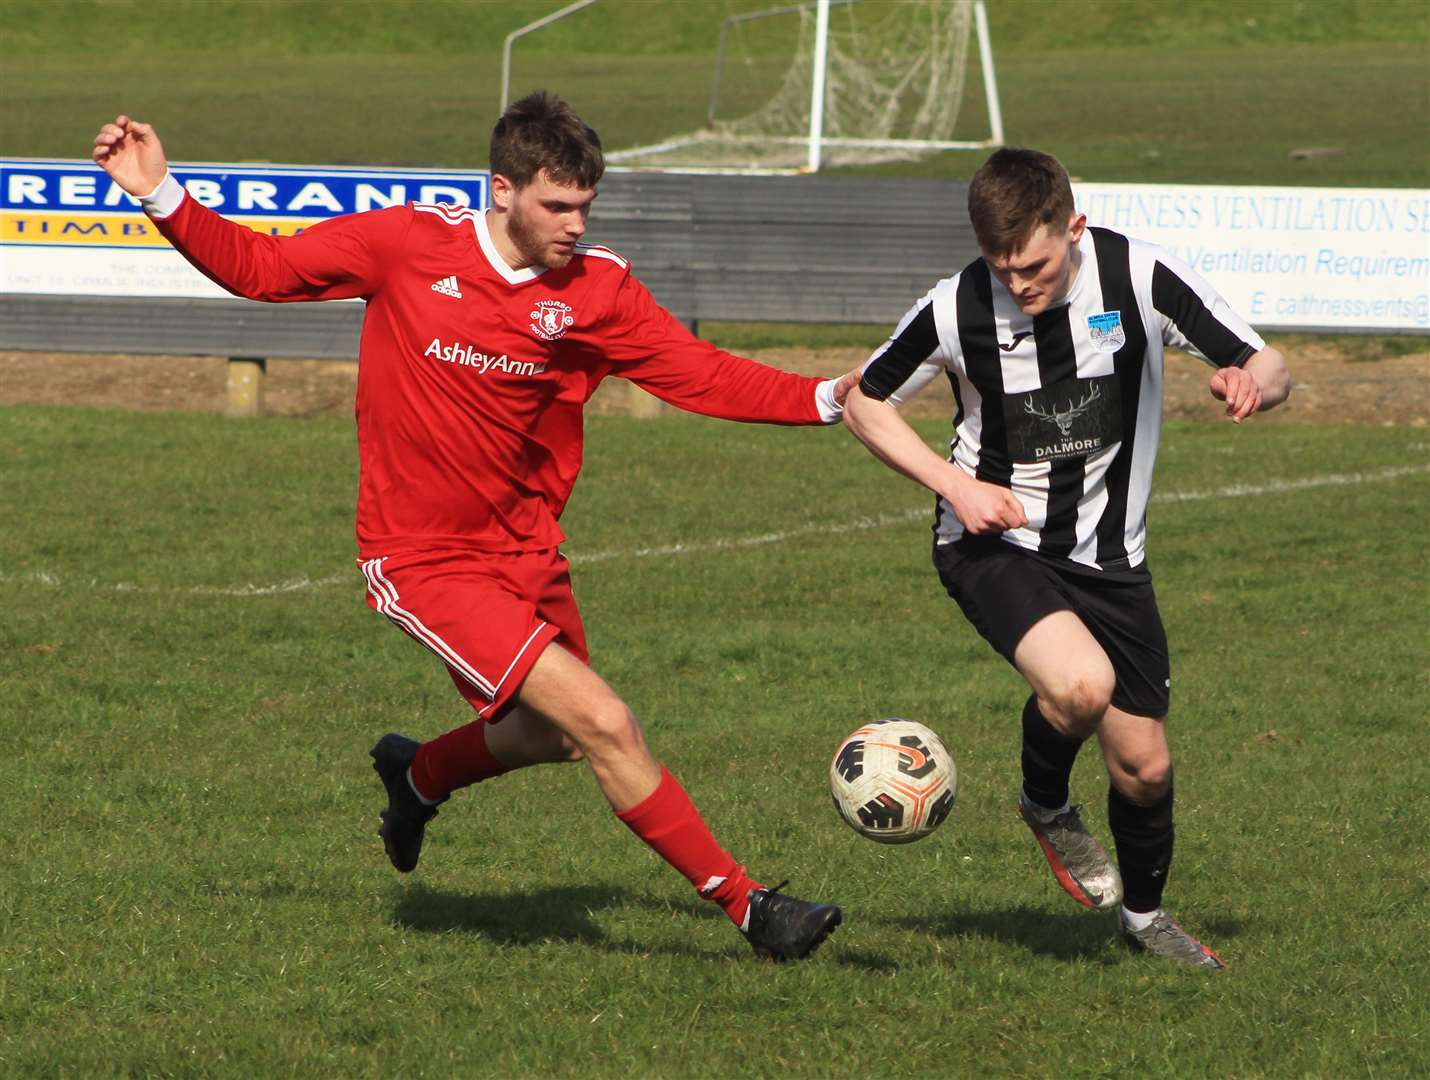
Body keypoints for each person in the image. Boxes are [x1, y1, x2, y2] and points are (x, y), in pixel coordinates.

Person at [92, 91, 848, 962]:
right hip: (421, 558)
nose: (574, 223)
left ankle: (417, 776)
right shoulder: (408, 245)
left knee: (552, 735)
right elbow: (262, 270)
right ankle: (753, 909)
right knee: (606, 721)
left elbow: (699, 374)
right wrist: (159, 193)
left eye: (585, 207)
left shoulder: (596, 291)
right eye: (556, 205)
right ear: (502, 189)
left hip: (525, 550)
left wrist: (827, 398)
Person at [843, 148, 1291, 970]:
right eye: (1001, 267)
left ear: (1073, 227)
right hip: (991, 542)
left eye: (1036, 265)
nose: (1020, 284)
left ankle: (1145, 920)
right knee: (1080, 686)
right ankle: (1046, 803)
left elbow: (1269, 360)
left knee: (1145, 767)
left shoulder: (1138, 277)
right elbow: (863, 399)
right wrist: (956, 485)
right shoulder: (955, 307)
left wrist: (1253, 382)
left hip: (1112, 559)